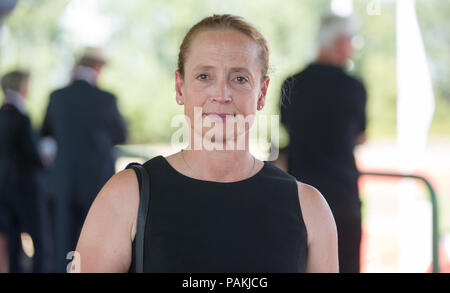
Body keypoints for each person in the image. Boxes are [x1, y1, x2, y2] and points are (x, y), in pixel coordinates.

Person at [73, 14, 338, 273]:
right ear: (180, 87)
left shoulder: (310, 208)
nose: (221, 94)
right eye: (204, 76)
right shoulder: (126, 196)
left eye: (239, 78)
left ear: (262, 93)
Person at [280, 14, 367, 273]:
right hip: (343, 199)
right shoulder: (353, 86)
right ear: (340, 42)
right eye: (352, 40)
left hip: (298, 199)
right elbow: (360, 136)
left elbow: (287, 130)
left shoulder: (291, 83)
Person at [41, 48, 128, 272]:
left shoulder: (57, 97)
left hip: (64, 180)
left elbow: (45, 136)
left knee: (63, 242)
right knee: (98, 240)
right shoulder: (106, 98)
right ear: (97, 68)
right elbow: (120, 135)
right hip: (97, 181)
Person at [0, 70, 47, 272]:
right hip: (24, 187)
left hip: (3, 187)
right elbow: (32, 155)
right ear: (21, 86)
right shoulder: (22, 118)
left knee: (12, 240)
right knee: (40, 239)